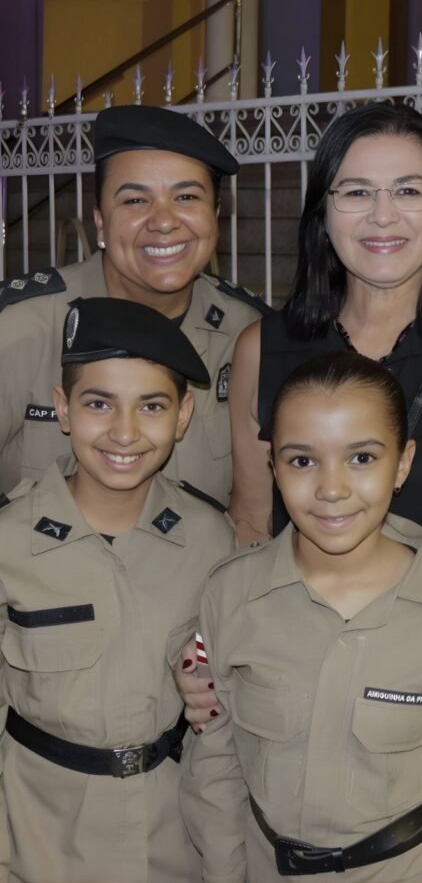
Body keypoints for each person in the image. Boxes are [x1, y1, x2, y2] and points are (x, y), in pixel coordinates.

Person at [178, 102, 422, 881]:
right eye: (355, 191)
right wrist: (209, 656)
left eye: (409, 190)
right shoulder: (264, 349)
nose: (383, 215)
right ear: (322, 212)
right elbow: (249, 528)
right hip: (299, 713)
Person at [180, 351, 422, 882]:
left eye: (361, 458)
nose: (332, 488)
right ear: (272, 465)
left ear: (403, 463)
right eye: (302, 461)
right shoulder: (231, 596)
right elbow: (215, 767)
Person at [0, 297, 235, 882]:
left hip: (173, 834)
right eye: (99, 403)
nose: (124, 432)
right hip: (37, 837)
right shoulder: (9, 541)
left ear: (182, 416)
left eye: (151, 406)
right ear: (63, 409)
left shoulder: (211, 538)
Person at [0, 104, 269, 506]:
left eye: (186, 197)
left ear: (215, 215)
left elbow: (258, 512)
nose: (164, 221)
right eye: (135, 201)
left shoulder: (247, 336)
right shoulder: (22, 327)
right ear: (100, 222)